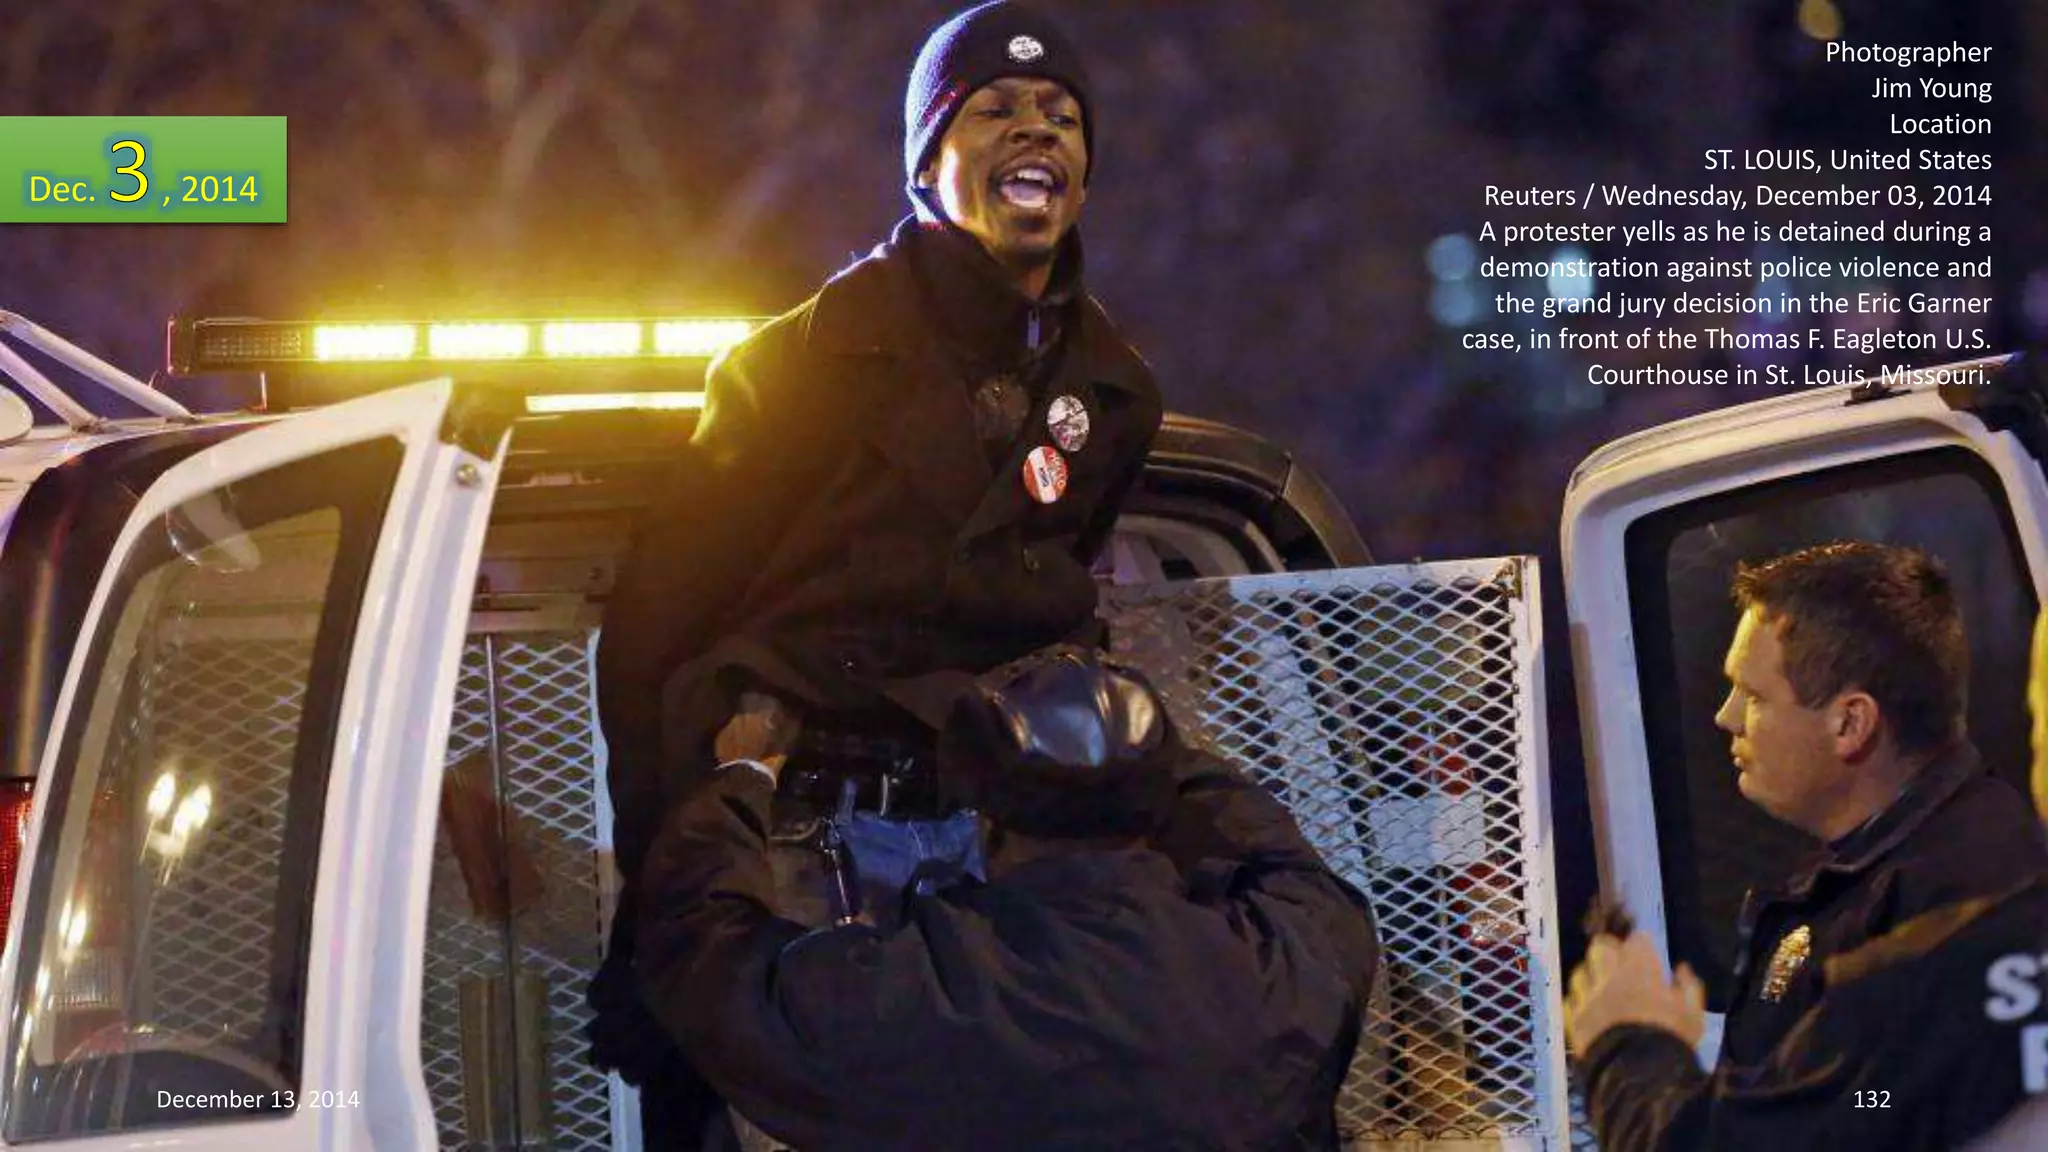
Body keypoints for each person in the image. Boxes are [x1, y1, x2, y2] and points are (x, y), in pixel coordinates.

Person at [588, 3, 1164, 1144]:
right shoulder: (800, 365)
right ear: (927, 160)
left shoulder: (1112, 391)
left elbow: (1051, 587)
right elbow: (657, 631)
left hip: (1002, 856)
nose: (1032, 130)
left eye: (1059, 115)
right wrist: (658, 905)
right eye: (993, 109)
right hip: (810, 842)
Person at [634, 648, 1381, 1151]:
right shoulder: (1287, 971)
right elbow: (1275, 851)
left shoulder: (909, 999)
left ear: (986, 821)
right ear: (1157, 803)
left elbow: (703, 948)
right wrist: (1139, 748)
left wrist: (744, 777)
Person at [1563, 542, 2048, 1150]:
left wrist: (1631, 1044)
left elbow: (1871, 1103)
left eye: (1754, 695)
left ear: (1850, 723)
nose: (1725, 716)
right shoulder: (1870, 866)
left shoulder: (1962, 897)